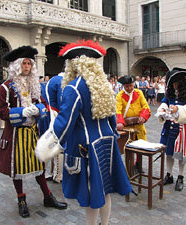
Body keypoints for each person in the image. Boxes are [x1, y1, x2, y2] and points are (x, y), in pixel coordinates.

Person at [36, 40, 132, 225]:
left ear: (72, 64)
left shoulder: (74, 87)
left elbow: (65, 121)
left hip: (87, 147)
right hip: (107, 142)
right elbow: (112, 116)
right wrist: (113, 134)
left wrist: (48, 144)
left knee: (92, 193)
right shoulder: (103, 85)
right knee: (105, 190)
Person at [0, 45, 67, 218]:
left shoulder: (35, 84)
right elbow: (2, 111)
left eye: (29, 64)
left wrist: (38, 109)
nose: (26, 67)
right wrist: (21, 112)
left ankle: (47, 196)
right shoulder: (6, 87)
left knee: (39, 165)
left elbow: (44, 105)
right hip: (15, 135)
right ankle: (21, 199)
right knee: (16, 168)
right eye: (24, 63)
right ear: (17, 66)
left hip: (33, 132)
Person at [156, 67, 186, 191]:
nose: (174, 86)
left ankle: (181, 177)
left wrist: (177, 109)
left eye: (175, 83)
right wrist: (163, 108)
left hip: (182, 128)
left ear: (181, 82)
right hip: (169, 127)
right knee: (168, 153)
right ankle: (169, 175)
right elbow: (164, 101)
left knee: (181, 154)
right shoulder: (170, 92)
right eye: (172, 84)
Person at [116, 75, 151, 171]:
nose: (130, 88)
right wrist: (119, 122)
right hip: (127, 128)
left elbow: (145, 106)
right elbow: (118, 111)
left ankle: (138, 165)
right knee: (129, 148)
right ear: (123, 86)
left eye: (131, 85)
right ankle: (129, 167)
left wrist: (143, 116)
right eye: (127, 86)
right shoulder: (119, 96)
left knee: (140, 147)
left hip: (139, 126)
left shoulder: (139, 93)